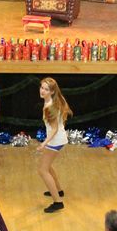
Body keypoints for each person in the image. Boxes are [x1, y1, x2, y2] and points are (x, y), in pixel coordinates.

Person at [37, 77, 72, 213]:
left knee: (42, 170)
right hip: (57, 139)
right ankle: (58, 190)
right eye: (42, 88)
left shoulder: (49, 107)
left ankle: (57, 202)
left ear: (52, 92)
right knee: (48, 166)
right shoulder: (52, 102)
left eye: (46, 89)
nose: (42, 91)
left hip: (55, 141)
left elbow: (54, 129)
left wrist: (44, 143)